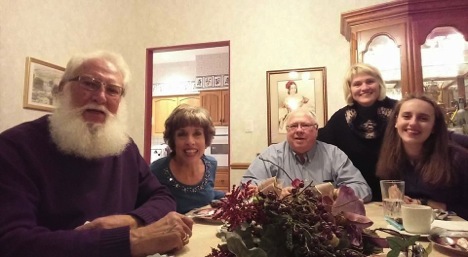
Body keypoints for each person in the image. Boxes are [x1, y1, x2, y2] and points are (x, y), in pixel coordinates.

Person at [0, 51, 193, 257]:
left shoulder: (125, 148)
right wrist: (132, 240)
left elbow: (162, 196)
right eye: (90, 83)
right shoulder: (15, 147)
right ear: (62, 89)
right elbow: (13, 242)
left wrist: (132, 221)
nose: (100, 97)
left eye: (113, 90)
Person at [241, 109, 372, 202]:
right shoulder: (271, 155)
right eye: (293, 126)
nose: (298, 130)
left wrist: (334, 193)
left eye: (305, 125)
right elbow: (245, 186)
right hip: (282, 223)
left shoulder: (334, 155)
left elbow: (363, 189)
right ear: (287, 131)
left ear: (316, 130)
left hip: (326, 224)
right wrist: (276, 192)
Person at [376, 95, 468, 219]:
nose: (413, 123)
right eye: (407, 116)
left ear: (434, 126)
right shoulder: (391, 157)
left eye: (423, 118)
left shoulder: (459, 158)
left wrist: (429, 204)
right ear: (396, 122)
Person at [317, 63, 397, 201]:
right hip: (359, 197)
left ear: (379, 84)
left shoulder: (400, 111)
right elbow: (318, 143)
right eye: (357, 84)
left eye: (370, 81)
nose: (364, 88)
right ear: (350, 89)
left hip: (399, 193)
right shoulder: (340, 119)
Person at [150, 104, 225, 214]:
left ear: (206, 138)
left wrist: (228, 196)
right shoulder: (156, 170)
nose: (190, 141)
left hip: (204, 230)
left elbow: (206, 194)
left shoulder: (211, 164)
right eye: (182, 134)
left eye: (197, 134)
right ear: (173, 139)